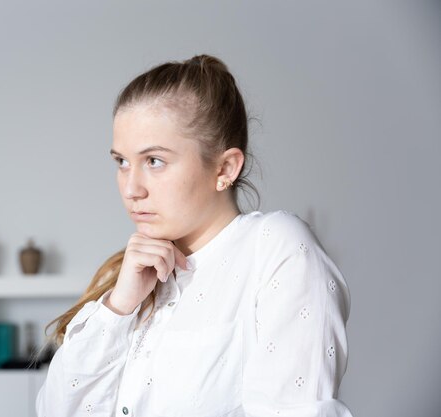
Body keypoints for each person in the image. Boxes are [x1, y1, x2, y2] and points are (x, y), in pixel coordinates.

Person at [35, 54, 353, 417]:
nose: (131, 188)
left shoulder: (276, 250)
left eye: (154, 161)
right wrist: (118, 307)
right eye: (121, 162)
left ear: (225, 168)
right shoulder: (128, 276)